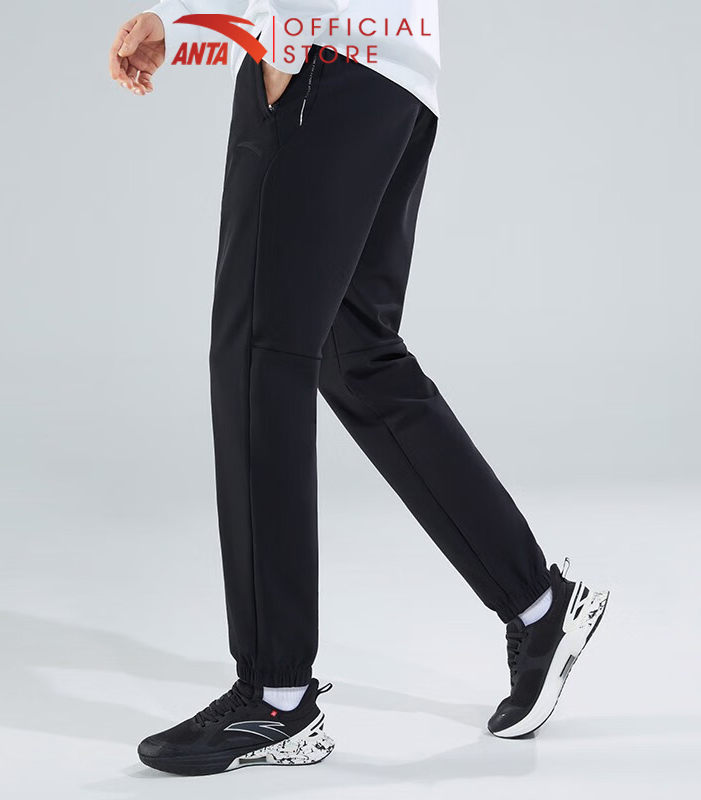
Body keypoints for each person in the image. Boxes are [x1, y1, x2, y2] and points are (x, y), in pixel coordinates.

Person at [109, 1, 609, 776]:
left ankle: (275, 698)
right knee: (356, 354)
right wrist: (183, 20)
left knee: (259, 357)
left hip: (319, 59)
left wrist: (281, 40)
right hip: (391, 77)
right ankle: (538, 605)